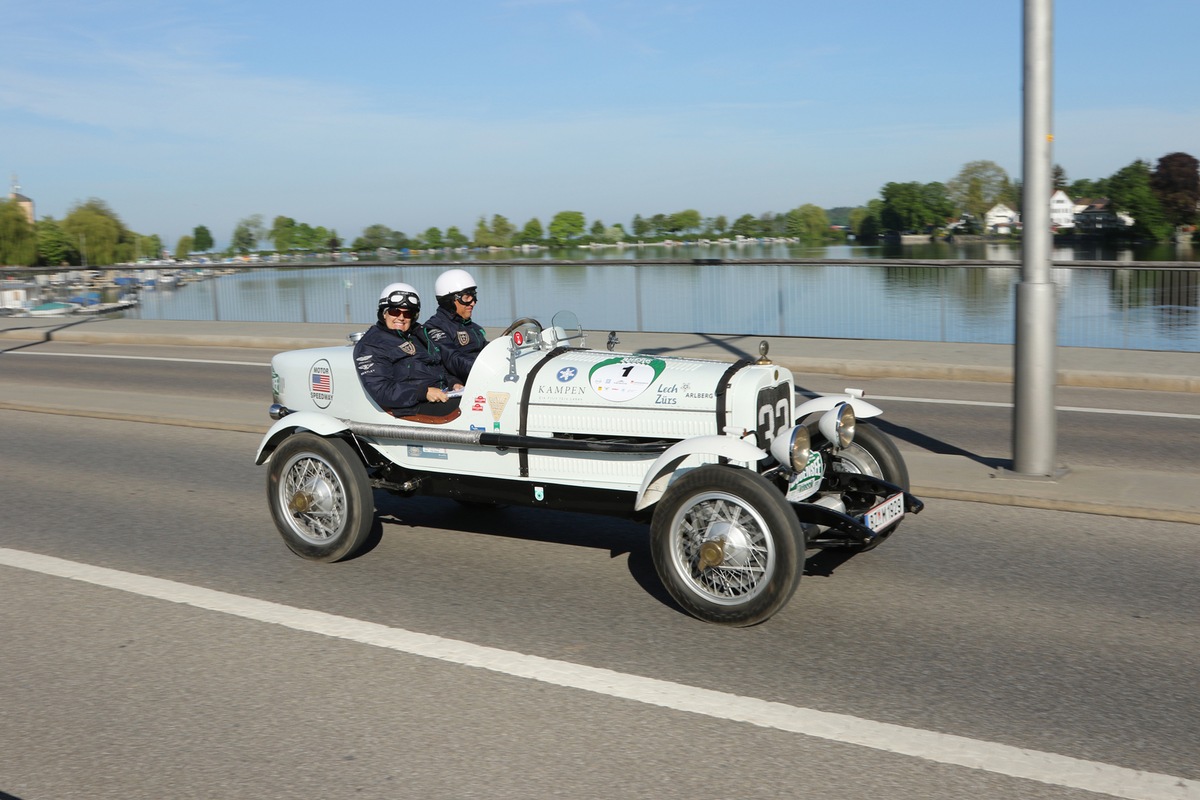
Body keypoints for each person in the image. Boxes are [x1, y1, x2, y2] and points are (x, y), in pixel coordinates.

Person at [353, 282, 471, 418]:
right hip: (409, 407)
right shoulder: (371, 344)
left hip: (439, 396)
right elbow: (381, 390)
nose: (401, 318)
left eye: (408, 313)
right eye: (394, 311)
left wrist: (453, 383)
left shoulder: (418, 335)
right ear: (384, 314)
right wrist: (423, 392)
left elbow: (437, 366)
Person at [424, 268, 487, 385]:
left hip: (481, 379)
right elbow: (453, 358)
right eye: (467, 298)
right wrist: (486, 367)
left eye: (474, 296)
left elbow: (486, 350)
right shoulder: (434, 328)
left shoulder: (473, 327)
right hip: (462, 386)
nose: (473, 302)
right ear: (449, 301)